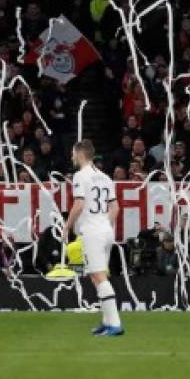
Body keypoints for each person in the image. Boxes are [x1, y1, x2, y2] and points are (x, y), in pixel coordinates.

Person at [64, 139, 123, 337]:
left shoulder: (80, 176)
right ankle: (107, 322)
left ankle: (115, 324)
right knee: (97, 275)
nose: (72, 156)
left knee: (98, 276)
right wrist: (106, 225)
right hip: (106, 229)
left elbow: (79, 204)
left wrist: (67, 226)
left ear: (80, 154)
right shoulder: (105, 177)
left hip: (92, 231)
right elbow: (115, 208)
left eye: (73, 153)